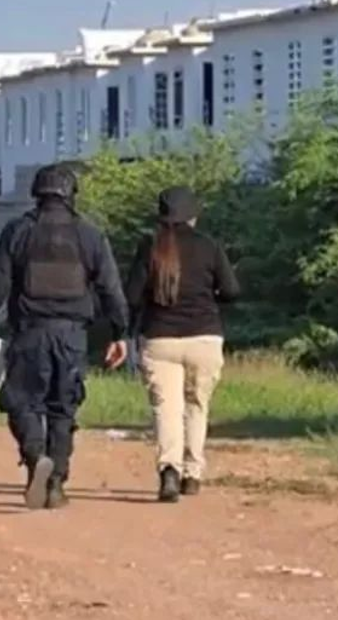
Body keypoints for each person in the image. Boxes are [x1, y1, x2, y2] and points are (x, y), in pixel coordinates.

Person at [0, 164, 129, 510]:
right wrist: (120, 332)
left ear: (37, 194)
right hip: (72, 337)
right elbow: (110, 289)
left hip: (29, 333)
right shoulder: (89, 235)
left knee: (20, 401)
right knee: (63, 407)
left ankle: (34, 455)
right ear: (71, 194)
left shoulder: (18, 231)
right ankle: (56, 481)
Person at [125, 186, 241, 503]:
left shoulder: (150, 246)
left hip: (160, 338)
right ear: (194, 214)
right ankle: (192, 473)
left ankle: (169, 471)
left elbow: (132, 297)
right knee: (196, 406)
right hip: (204, 337)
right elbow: (231, 290)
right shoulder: (209, 246)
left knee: (167, 409)